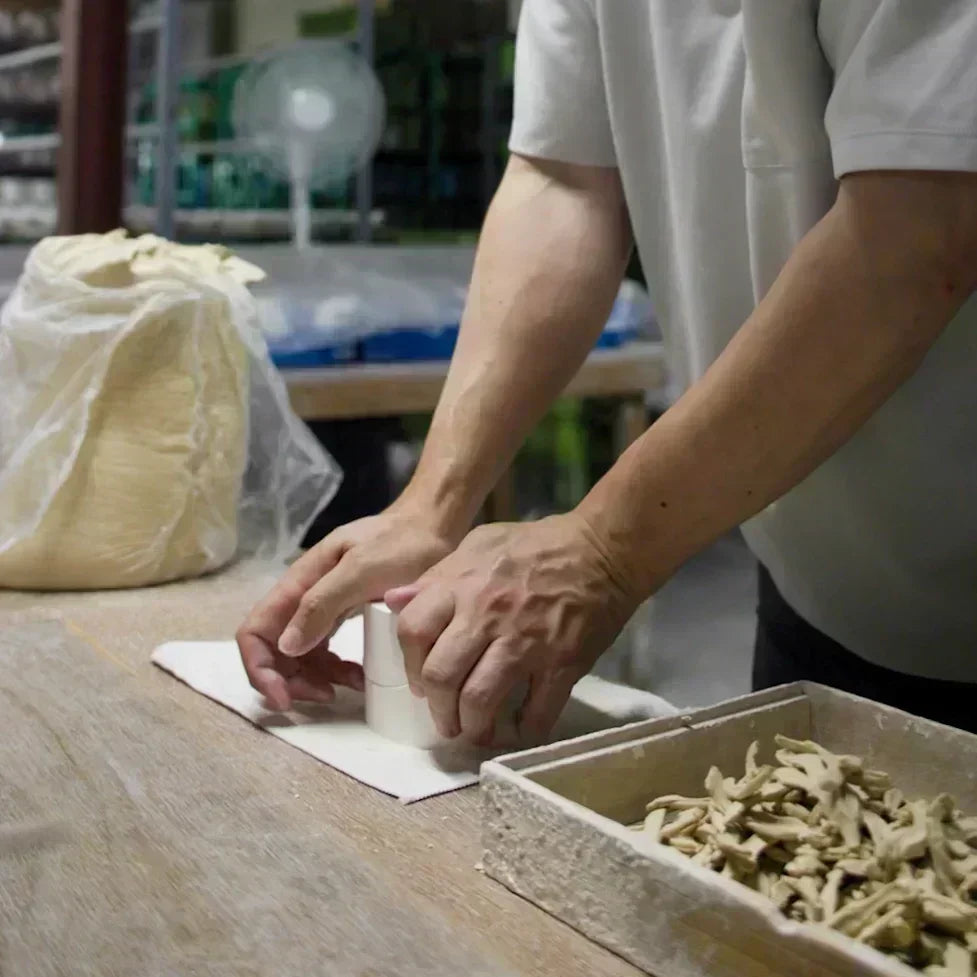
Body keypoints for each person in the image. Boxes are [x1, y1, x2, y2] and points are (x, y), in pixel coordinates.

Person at [237, 0, 977, 742]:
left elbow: (912, 236)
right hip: (811, 573)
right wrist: (430, 506)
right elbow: (563, 179)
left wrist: (603, 549)